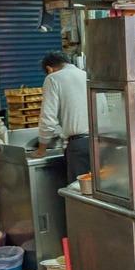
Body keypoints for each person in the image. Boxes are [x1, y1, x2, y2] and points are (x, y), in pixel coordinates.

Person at [34, 51, 90, 183]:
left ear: (49, 69)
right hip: (100, 142)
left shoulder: (53, 78)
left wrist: (42, 149)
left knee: (79, 192)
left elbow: (48, 118)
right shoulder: (87, 75)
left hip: (79, 146)